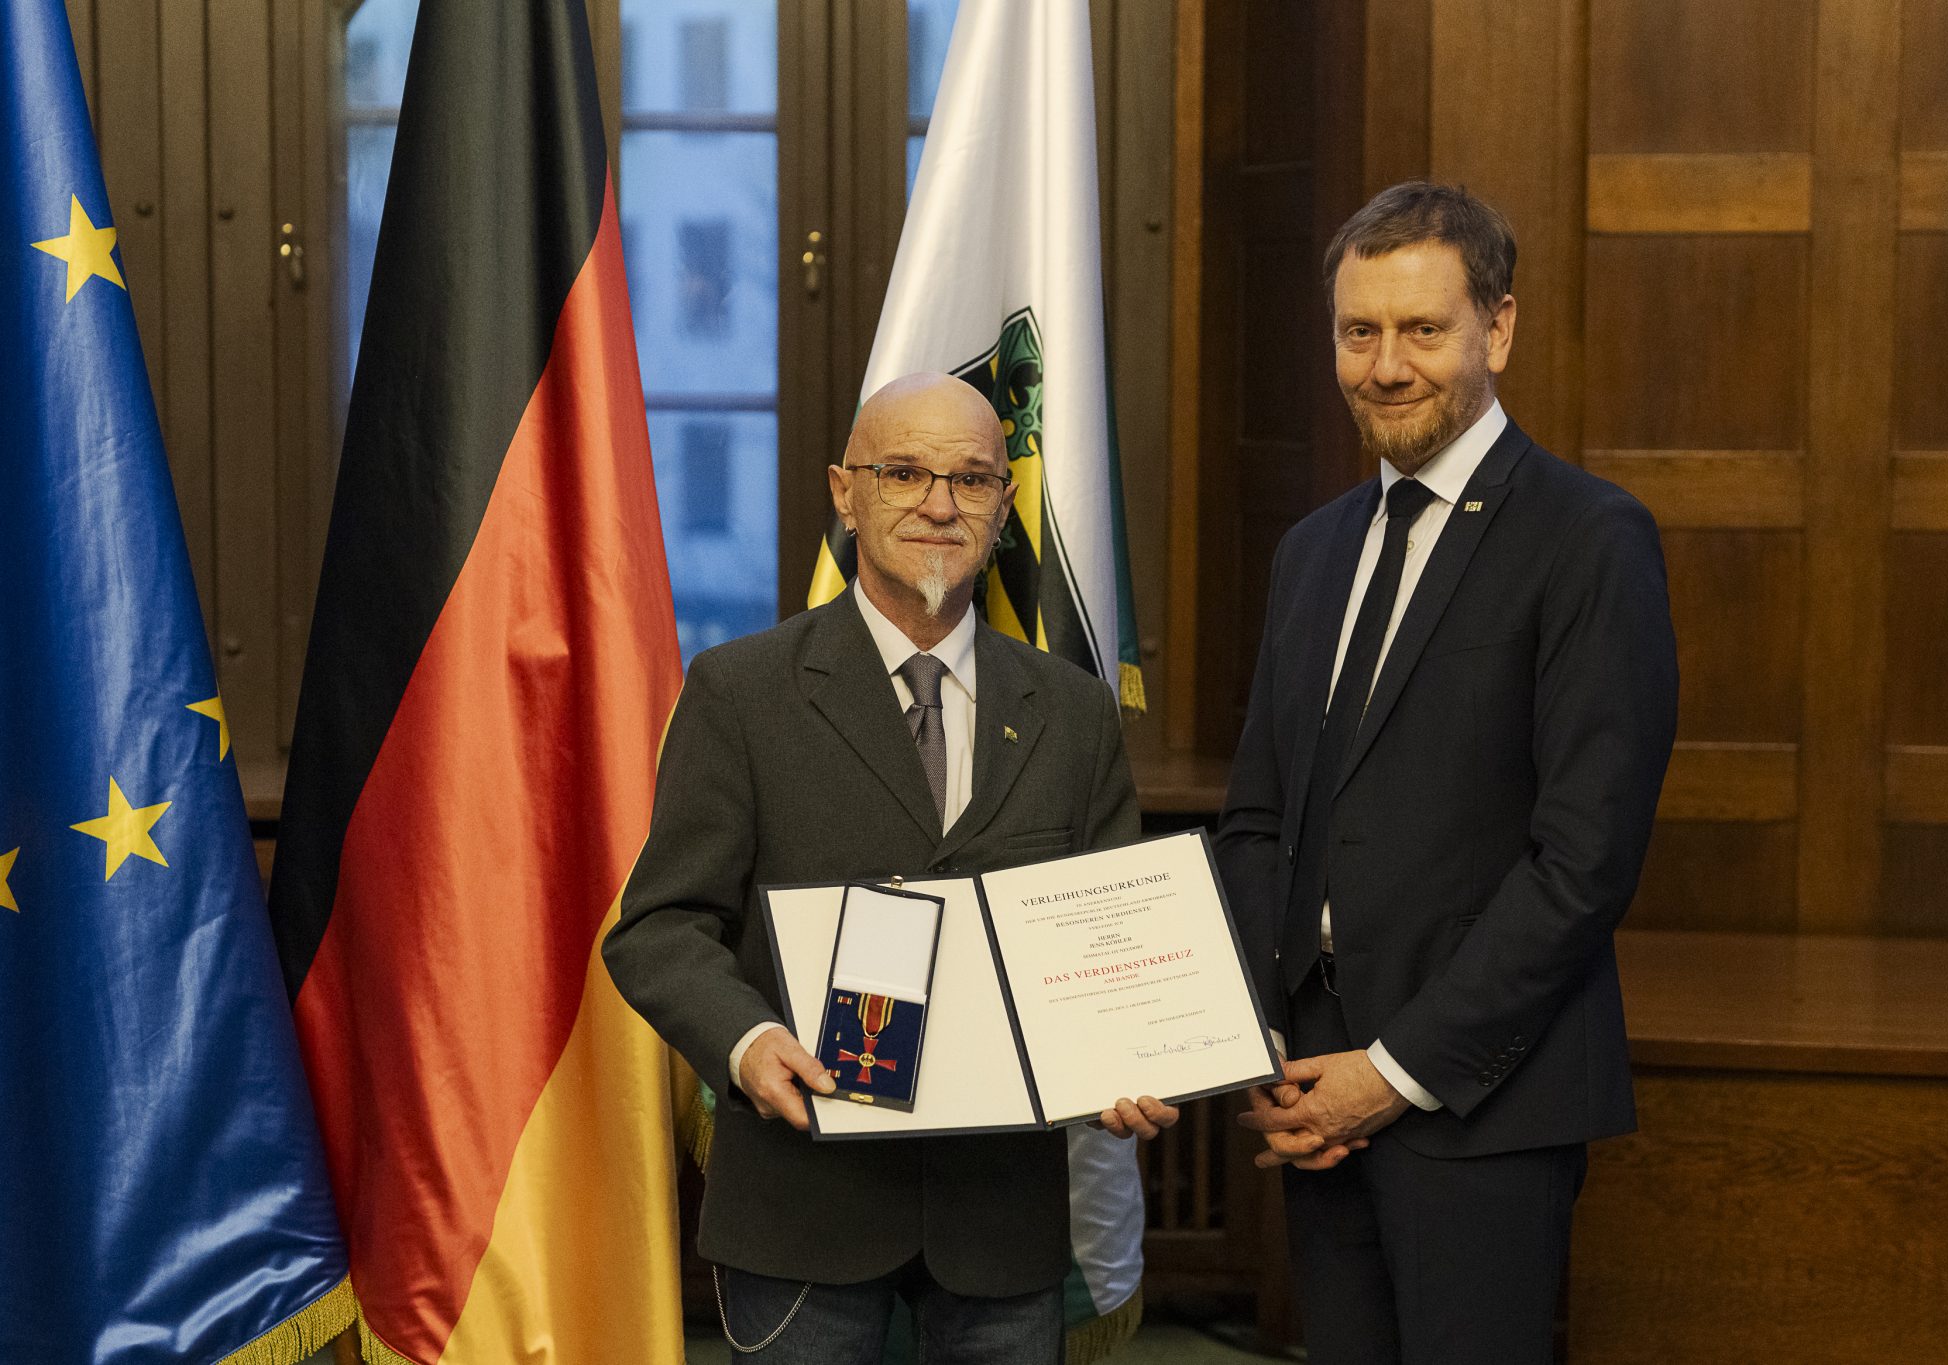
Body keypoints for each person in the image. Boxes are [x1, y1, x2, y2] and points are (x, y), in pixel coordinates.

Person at [604, 371, 1175, 1365]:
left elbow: (1107, 927)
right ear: (843, 490)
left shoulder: (1072, 712)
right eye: (903, 473)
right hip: (802, 1204)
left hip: (998, 1216)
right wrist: (743, 1044)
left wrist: (1134, 1047)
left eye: (971, 480)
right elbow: (658, 928)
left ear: (1005, 503)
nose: (939, 505)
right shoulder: (740, 693)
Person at [1216, 182, 1679, 1363]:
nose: (1383, 365)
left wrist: (1396, 1071)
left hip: (1479, 1106)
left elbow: (1581, 863)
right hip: (1312, 1097)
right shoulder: (1311, 552)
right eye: (1356, 331)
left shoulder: (1586, 538)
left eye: (1420, 330)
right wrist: (1252, 1045)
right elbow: (1258, 819)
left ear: (1498, 328)